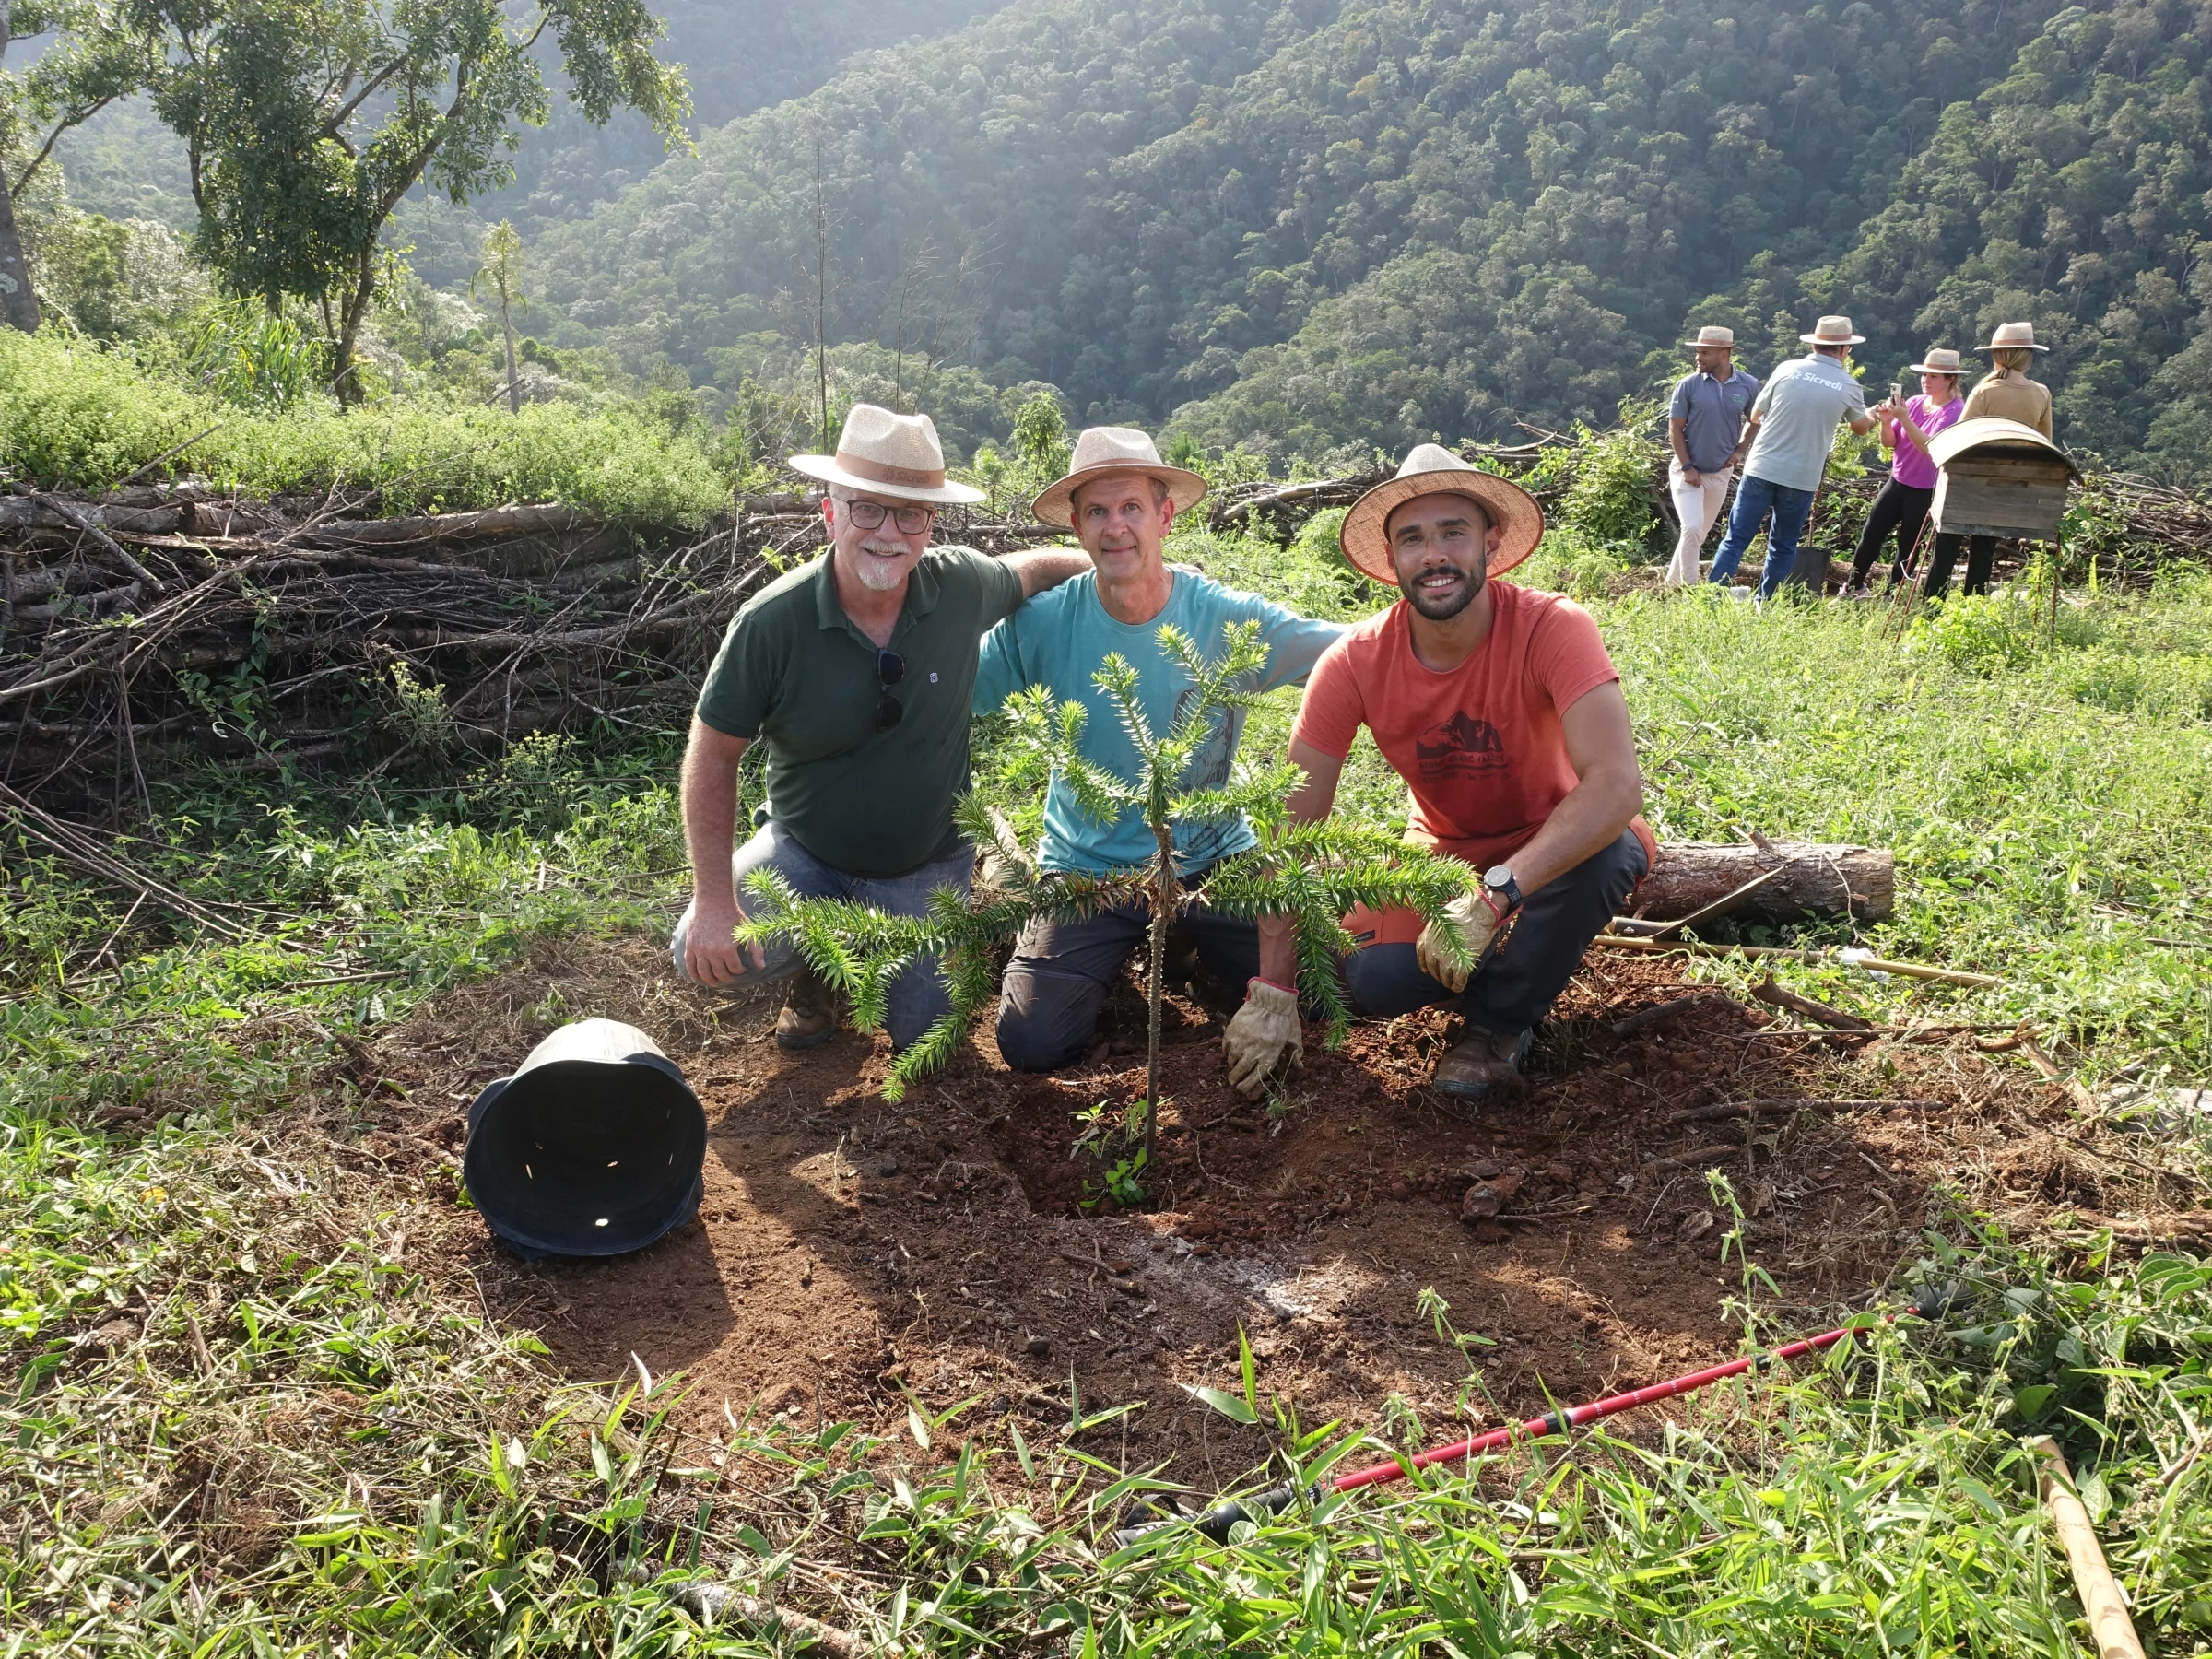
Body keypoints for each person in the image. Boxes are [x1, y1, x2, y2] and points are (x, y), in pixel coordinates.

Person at [1220, 446, 1653, 1102]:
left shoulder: (1551, 628)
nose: (1434, 555)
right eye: (1413, 539)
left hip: (1558, 847)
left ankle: (1498, 1028)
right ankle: (1527, 963)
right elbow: (1291, 834)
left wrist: (1497, 895)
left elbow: (1617, 786)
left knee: (1610, 854)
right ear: (1392, 558)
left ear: (1491, 540)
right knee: (1372, 982)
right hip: (1442, 861)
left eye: (1453, 531)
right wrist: (1272, 992)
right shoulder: (1354, 663)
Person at [675, 404, 1088, 1050]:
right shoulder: (773, 624)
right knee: (696, 951)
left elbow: (1032, 569)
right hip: (804, 854)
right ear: (830, 511)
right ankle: (821, 962)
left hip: (925, 861)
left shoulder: (959, 588)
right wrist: (713, 899)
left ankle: (870, 952)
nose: (887, 533)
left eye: (910, 513)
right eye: (866, 507)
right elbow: (713, 751)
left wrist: (1129, 570)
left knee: (925, 1037)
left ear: (931, 523)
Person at [974, 426, 1346, 1073]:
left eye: (1131, 508)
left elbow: (1346, 652)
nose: (1115, 527)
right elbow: (947, 688)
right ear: (1076, 526)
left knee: (1324, 990)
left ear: (1165, 515)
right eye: (1097, 511)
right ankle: (1065, 927)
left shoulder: (1221, 616)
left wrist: (1449, 620)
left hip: (1212, 858)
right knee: (1032, 1043)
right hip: (1088, 869)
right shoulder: (1045, 624)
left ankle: (1192, 952)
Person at [1705, 315, 1878, 601]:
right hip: (1802, 477)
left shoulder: (1786, 369)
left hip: (1762, 466)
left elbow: (1757, 415)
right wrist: (1872, 415)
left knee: (1736, 539)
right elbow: (1860, 427)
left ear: (1814, 345)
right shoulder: (1849, 386)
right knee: (1783, 545)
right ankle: (1765, 603)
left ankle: (1711, 599)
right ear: (1845, 350)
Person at [1923, 321, 2055, 599]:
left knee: (1945, 549)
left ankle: (1932, 611)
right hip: (2006, 485)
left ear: (1997, 356)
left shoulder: (1985, 391)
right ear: (2027, 356)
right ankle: (1973, 610)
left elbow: (1959, 437)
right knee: (1984, 551)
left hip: (1969, 481)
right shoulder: (2041, 393)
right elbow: (2044, 444)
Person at [1846, 347, 1966, 594]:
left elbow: (1929, 448)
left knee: (1907, 545)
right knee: (1871, 534)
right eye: (1924, 375)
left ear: (1950, 379)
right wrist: (1888, 421)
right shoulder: (1912, 402)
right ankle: (1853, 587)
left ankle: (1893, 593)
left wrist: (1905, 418)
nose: (1926, 380)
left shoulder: (1954, 410)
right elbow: (1890, 443)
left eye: (1934, 376)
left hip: (1925, 489)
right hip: (1898, 481)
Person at [1665, 325, 1759, 585]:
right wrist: (1686, 467)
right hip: (1687, 472)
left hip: (1720, 473)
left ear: (1724, 353)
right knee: (1692, 528)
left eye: (1705, 353)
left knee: (1698, 534)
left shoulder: (1748, 385)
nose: (1698, 358)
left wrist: (1740, 450)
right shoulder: (1688, 385)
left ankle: (1671, 585)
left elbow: (1757, 420)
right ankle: (1691, 589)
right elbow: (1675, 428)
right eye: (1697, 352)